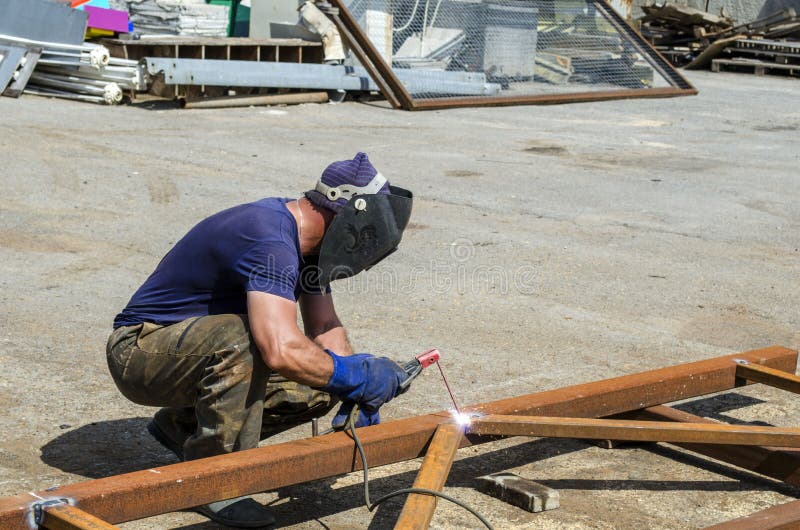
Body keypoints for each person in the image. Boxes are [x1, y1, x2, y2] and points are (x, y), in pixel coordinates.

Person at [106, 153, 413, 528]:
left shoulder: (311, 251)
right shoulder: (268, 238)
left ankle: (185, 428)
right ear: (347, 213)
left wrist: (356, 383)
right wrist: (350, 374)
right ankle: (215, 481)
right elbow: (279, 348)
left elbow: (325, 327)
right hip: (140, 349)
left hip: (196, 353)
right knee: (249, 338)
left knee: (320, 381)